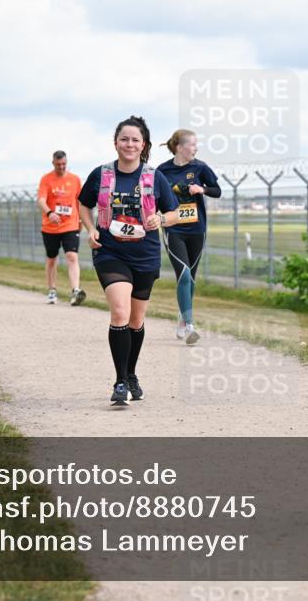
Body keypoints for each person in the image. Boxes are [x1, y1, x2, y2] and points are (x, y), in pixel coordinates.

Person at [78, 116, 179, 405]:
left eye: (135, 140)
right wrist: (91, 228)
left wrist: (160, 217)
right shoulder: (101, 174)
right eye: (124, 139)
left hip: (145, 255)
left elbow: (174, 213)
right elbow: (83, 204)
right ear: (116, 143)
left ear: (143, 145)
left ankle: (131, 373)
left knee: (136, 320)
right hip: (110, 252)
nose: (129, 144)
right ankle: (120, 382)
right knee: (120, 313)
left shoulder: (154, 176)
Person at [157, 129, 221, 344]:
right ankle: (191, 325)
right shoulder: (162, 171)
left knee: (190, 278)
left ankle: (183, 318)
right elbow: (153, 198)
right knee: (183, 275)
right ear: (179, 147)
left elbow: (217, 190)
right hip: (173, 229)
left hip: (197, 229)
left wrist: (201, 189)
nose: (196, 148)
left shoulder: (200, 167)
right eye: (192, 144)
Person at [37, 150, 86, 306]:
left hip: (70, 225)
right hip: (50, 226)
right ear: (53, 163)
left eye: (64, 164)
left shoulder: (75, 180)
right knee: (52, 259)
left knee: (72, 256)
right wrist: (49, 212)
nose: (61, 167)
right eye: (58, 165)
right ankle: (52, 290)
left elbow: (81, 202)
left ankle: (75, 291)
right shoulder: (46, 179)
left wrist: (82, 221)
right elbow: (41, 200)